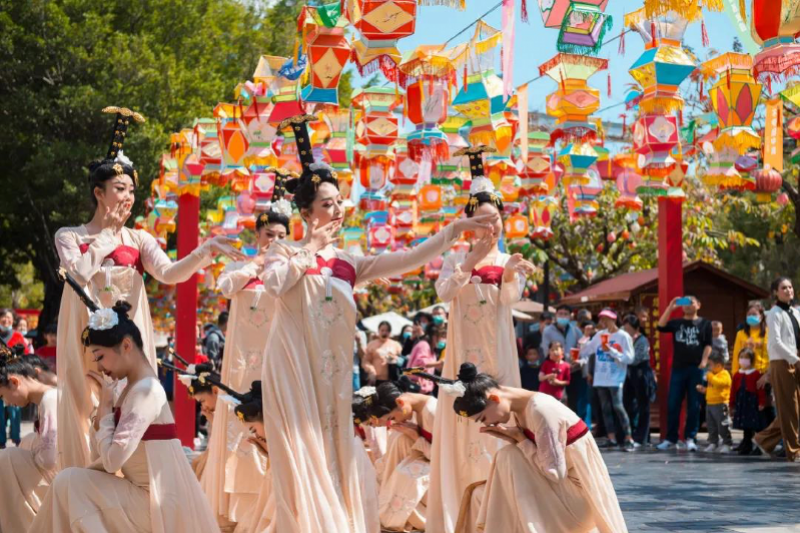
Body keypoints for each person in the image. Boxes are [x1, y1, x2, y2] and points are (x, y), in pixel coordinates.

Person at [257, 114, 495, 533]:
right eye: (327, 203)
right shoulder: (285, 251)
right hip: (293, 368)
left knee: (334, 445)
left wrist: (454, 230)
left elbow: (407, 260)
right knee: (301, 448)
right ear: (307, 212)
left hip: (332, 375)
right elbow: (275, 285)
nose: (337, 209)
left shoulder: (349, 262)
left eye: (338, 202)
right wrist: (310, 247)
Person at [55, 107, 244, 469]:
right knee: (87, 407)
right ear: (99, 192)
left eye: (131, 190)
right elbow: (76, 277)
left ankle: (128, 476)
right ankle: (83, 480)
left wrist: (206, 250)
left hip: (127, 339)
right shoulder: (70, 236)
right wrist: (105, 240)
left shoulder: (139, 238)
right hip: (87, 336)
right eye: (119, 189)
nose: (127, 196)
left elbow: (169, 273)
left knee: (127, 405)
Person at [29, 301, 219, 532]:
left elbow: (112, 462)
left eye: (100, 357)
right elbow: (100, 454)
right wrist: (103, 413)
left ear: (126, 345)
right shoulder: (130, 388)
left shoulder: (147, 391)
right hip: (138, 493)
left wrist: (107, 409)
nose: (99, 367)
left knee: (69, 482)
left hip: (155, 502)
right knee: (69, 482)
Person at [426, 145, 533, 533]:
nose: (491, 227)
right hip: (464, 348)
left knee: (499, 406)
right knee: (462, 416)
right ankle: (461, 508)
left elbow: (511, 300)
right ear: (469, 221)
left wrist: (509, 274)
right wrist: (470, 264)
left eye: (495, 219)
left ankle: (502, 506)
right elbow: (442, 294)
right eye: (482, 219)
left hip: (499, 348)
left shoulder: (508, 259)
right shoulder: (457, 259)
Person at [422, 363, 628, 533]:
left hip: (578, 504)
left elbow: (555, 473)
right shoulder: (524, 410)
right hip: (562, 495)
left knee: (509, 458)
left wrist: (520, 440)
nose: (487, 425)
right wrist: (517, 439)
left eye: (483, 418)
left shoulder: (540, 410)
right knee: (489, 485)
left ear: (494, 399)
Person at [204, 193, 290, 526]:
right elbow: (224, 287)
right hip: (241, 363)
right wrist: (254, 265)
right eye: (270, 235)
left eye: (282, 237)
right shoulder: (241, 264)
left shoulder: (290, 271)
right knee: (239, 425)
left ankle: (274, 504)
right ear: (258, 235)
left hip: (276, 359)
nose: (275, 242)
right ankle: (238, 512)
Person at [362, 377, 435, 531]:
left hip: (441, 468)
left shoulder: (433, 411)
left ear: (400, 403)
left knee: (404, 475)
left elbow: (445, 458)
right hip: (426, 459)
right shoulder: (414, 411)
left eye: (392, 418)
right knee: (399, 438)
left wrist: (416, 437)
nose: (392, 422)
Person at [0, 355, 57, 531]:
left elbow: (49, 460)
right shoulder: (50, 398)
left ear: (15, 382)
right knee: (26, 443)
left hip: (63, 478)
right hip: (65, 473)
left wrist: (31, 455)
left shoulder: (50, 399)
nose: (6, 403)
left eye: (3, 396)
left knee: (7, 458)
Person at [656, 296, 713, 452]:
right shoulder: (677, 323)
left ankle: (690, 438)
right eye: (684, 303)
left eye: (691, 303)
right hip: (678, 368)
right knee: (673, 403)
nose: (687, 306)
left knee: (694, 405)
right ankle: (671, 438)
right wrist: (670, 307)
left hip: (696, 368)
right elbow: (660, 326)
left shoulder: (705, 324)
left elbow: (708, 344)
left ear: (699, 305)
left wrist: (704, 361)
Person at [754, 277, 800, 462]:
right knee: (790, 408)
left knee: (794, 409)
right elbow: (776, 343)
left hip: (796, 360)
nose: (788, 290)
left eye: (790, 287)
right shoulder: (774, 313)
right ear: (775, 292)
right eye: (784, 288)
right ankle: (793, 451)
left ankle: (762, 439)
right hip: (782, 362)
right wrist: (794, 359)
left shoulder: (796, 313)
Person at [581, 309, 636, 451]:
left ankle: (628, 437)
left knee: (618, 406)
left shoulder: (623, 336)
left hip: (616, 378)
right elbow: (586, 351)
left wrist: (612, 351)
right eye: (601, 319)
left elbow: (630, 358)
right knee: (605, 408)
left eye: (605, 319)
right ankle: (611, 438)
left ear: (613, 319)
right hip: (601, 378)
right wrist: (585, 338)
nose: (603, 322)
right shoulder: (600, 335)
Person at [542, 304, 589, 425]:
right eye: (560, 314)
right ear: (556, 315)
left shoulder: (575, 330)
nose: (563, 316)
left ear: (570, 316)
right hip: (556, 370)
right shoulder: (548, 331)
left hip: (573, 370)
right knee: (556, 400)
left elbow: (582, 348)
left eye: (565, 314)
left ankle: (574, 427)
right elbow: (546, 351)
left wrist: (578, 361)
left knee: (574, 400)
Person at [621, 314, 655, 447]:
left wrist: (622, 357)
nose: (626, 330)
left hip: (642, 374)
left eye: (628, 328)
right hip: (629, 376)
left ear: (635, 328)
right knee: (629, 405)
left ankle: (642, 437)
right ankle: (630, 433)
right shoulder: (624, 339)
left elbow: (636, 359)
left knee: (643, 406)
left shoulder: (642, 340)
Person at [730, 348, 767, 455]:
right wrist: (731, 404)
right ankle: (746, 444)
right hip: (741, 402)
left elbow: (760, 389)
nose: (743, 360)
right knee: (745, 426)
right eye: (741, 357)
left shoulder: (756, 374)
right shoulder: (737, 375)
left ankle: (758, 445)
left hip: (752, 403)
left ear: (751, 359)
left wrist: (761, 402)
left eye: (746, 357)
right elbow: (733, 391)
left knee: (755, 424)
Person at [696, 350, 733, 453]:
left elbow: (719, 383)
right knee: (711, 426)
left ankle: (727, 443)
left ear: (719, 365)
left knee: (722, 425)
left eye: (710, 365)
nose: (709, 368)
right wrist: (704, 390)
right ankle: (713, 442)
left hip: (721, 404)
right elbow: (713, 388)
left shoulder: (724, 374)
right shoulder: (712, 375)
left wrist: (710, 376)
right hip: (710, 404)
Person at [0, 308, 24, 449]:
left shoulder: (18, 336)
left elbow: (26, 356)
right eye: (3, 317)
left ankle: (16, 439)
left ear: (13, 320)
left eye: (9, 317)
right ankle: (1, 441)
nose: (6, 320)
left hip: (14, 379)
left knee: (15, 410)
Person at [362, 321, 403, 385]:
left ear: (390, 332)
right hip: (375, 380)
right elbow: (365, 362)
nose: (384, 333)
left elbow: (402, 361)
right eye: (382, 330)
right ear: (378, 331)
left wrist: (394, 358)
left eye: (387, 331)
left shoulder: (396, 345)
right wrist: (371, 370)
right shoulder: (371, 344)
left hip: (392, 380)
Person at [406, 324, 443, 394]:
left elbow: (429, 367)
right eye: (439, 337)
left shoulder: (430, 349)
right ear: (434, 336)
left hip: (424, 388)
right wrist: (440, 362)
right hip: (417, 387)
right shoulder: (424, 345)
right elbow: (422, 363)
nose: (440, 340)